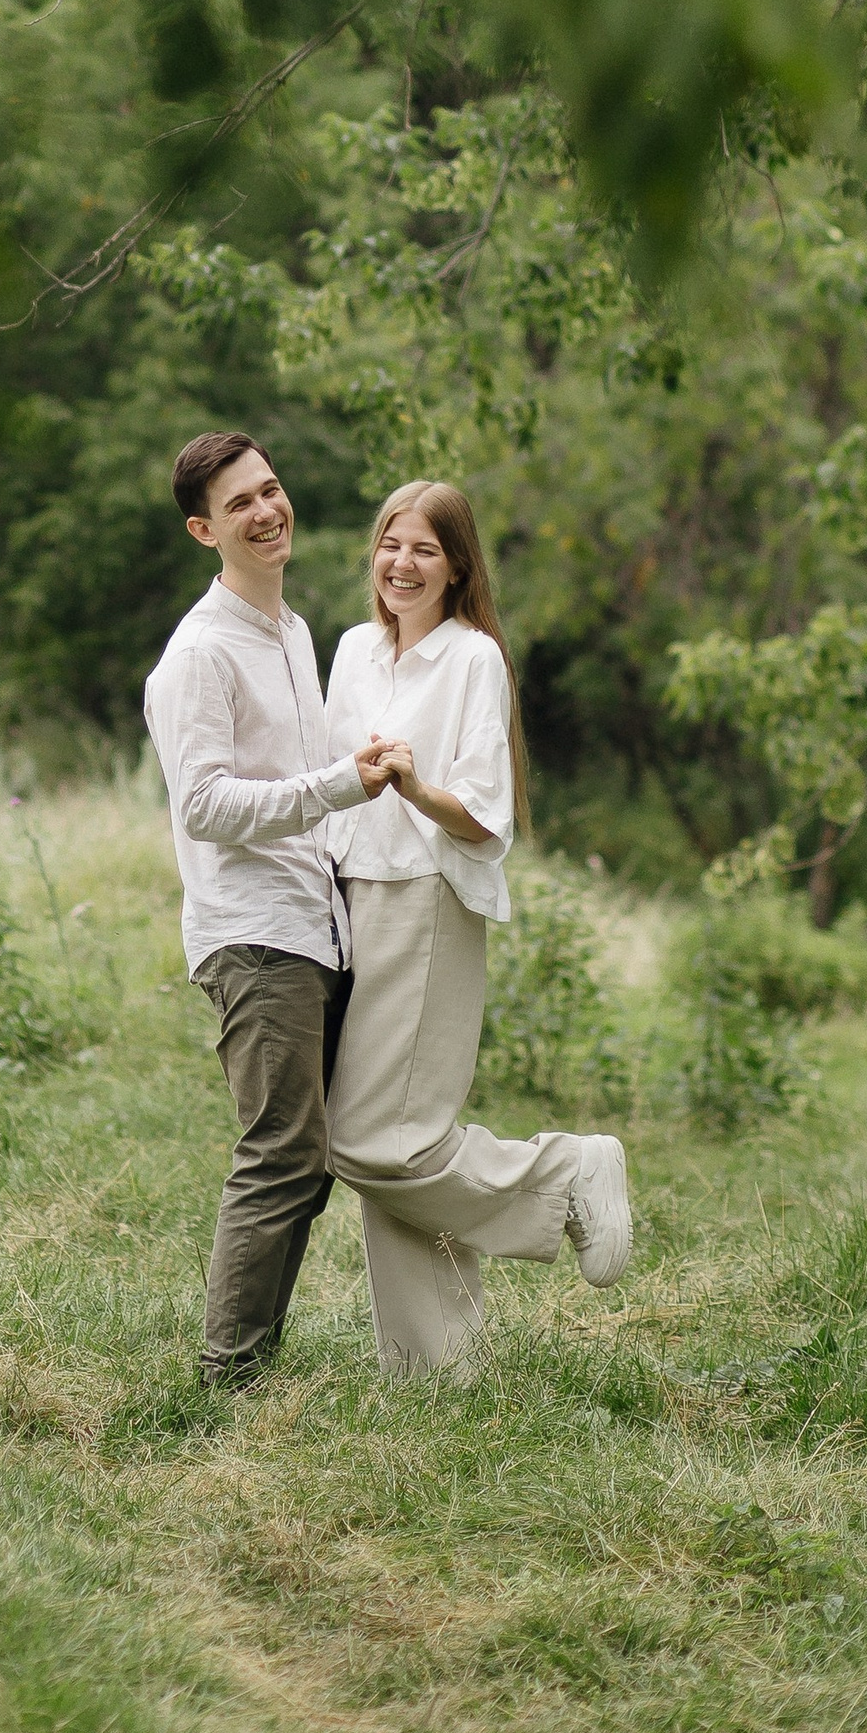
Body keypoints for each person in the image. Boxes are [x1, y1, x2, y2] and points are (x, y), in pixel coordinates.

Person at [323, 477, 632, 1372]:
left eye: (424, 548)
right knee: (393, 1140)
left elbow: (487, 817)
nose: (401, 563)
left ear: (458, 567)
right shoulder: (349, 651)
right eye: (389, 543)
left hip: (426, 898)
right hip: (348, 898)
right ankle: (436, 1367)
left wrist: (414, 787)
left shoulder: (472, 660)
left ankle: (565, 1172)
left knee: (377, 1141)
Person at [142, 429, 404, 1389]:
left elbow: (300, 786)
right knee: (283, 1153)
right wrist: (338, 787)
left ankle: (246, 1367)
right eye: (240, 504)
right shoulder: (198, 657)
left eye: (272, 489)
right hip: (252, 936)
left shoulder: (293, 635)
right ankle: (226, 1380)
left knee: (309, 1157)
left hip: (315, 924)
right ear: (203, 531)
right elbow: (204, 807)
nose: (266, 511)